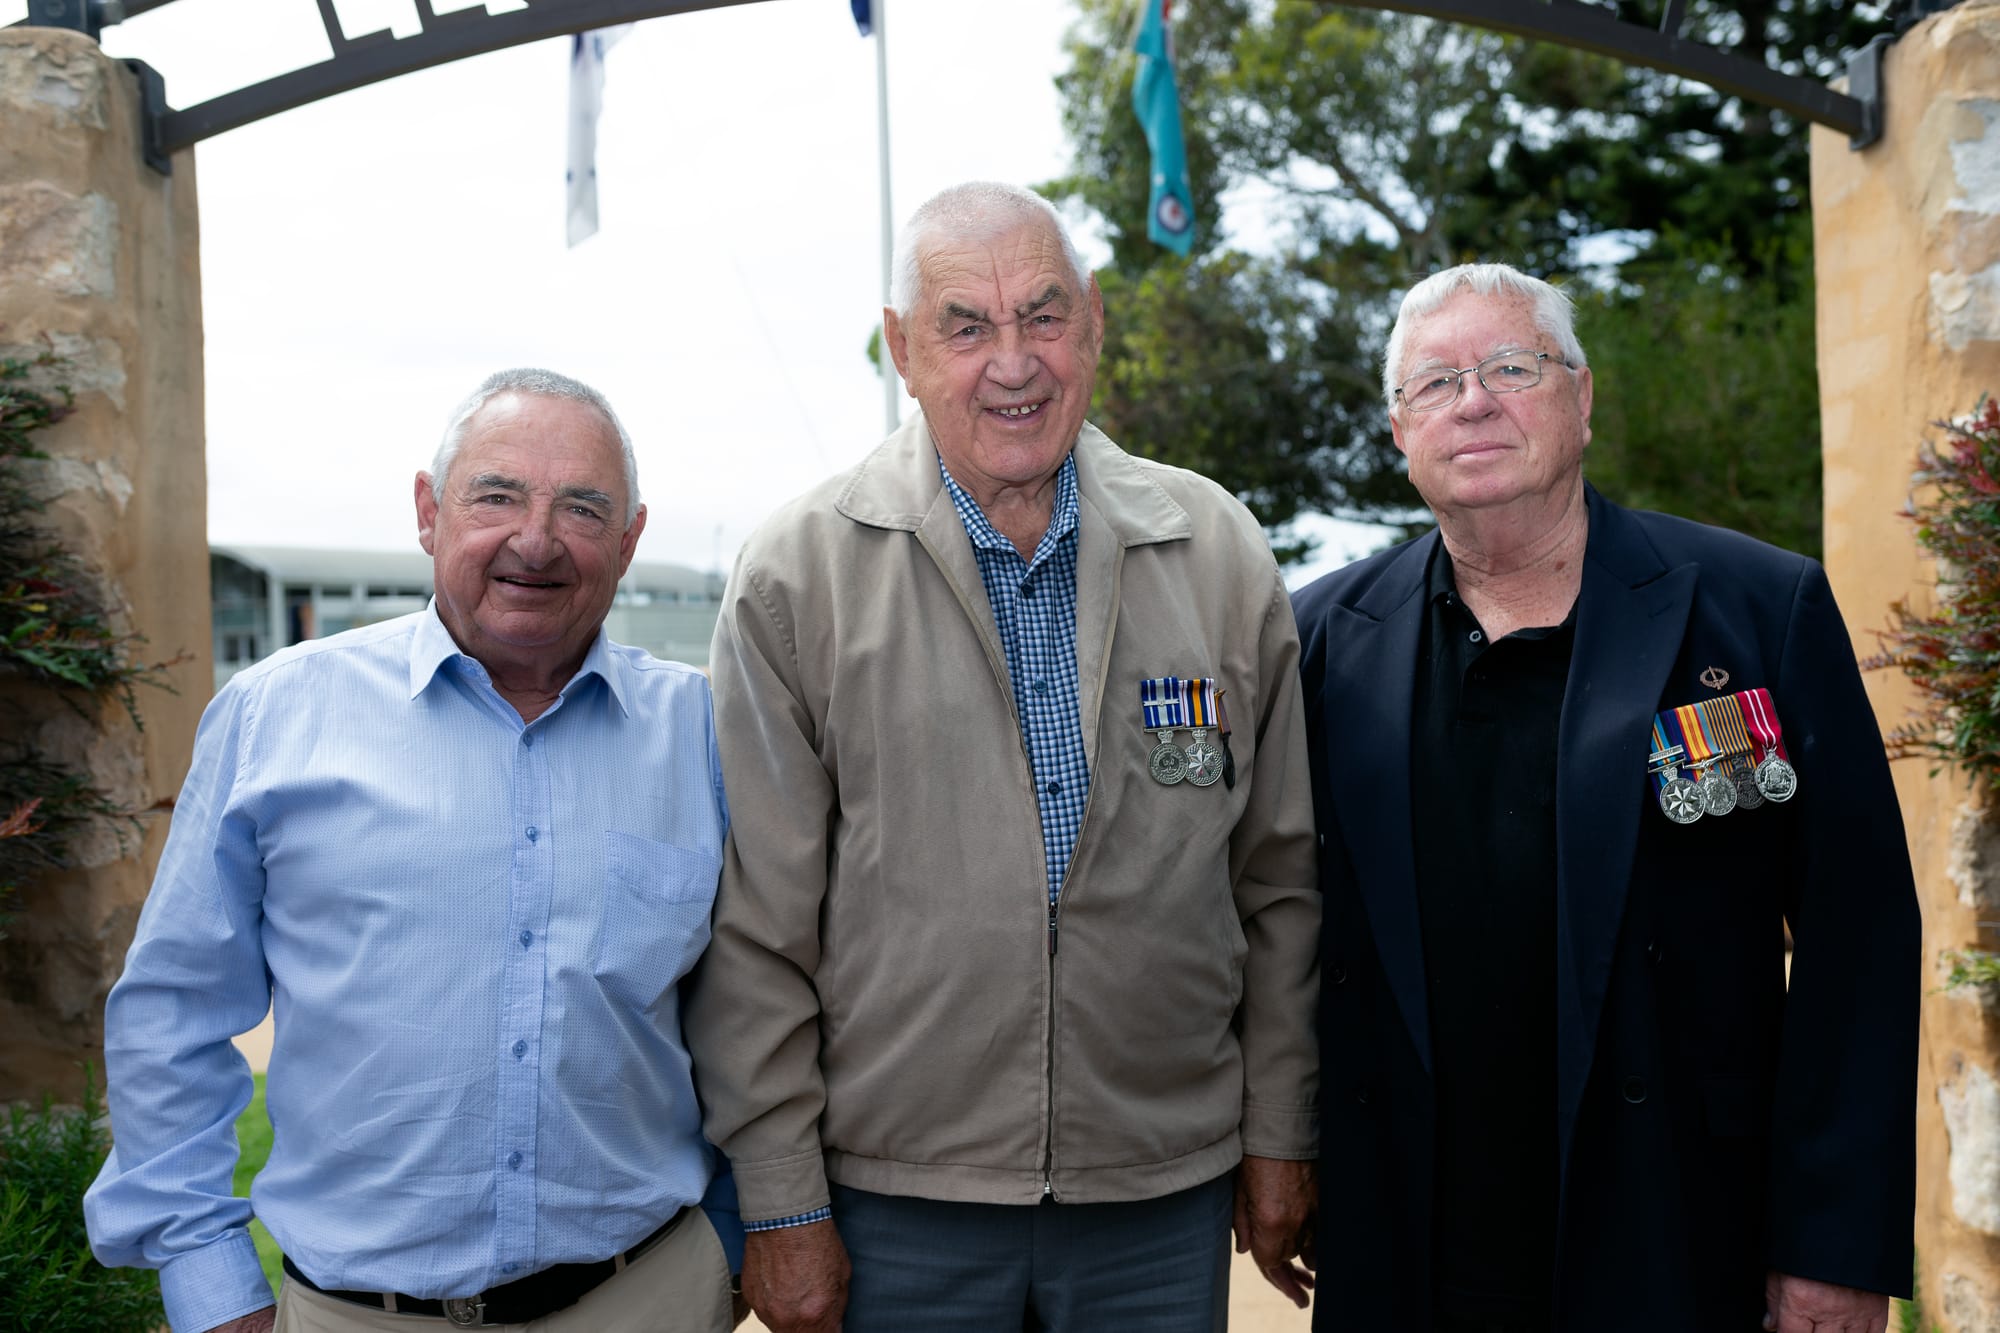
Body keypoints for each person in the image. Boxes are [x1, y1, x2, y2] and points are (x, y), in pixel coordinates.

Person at [684, 181, 1319, 1333]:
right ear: (901, 350)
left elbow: (1276, 883)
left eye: (1040, 315)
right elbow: (754, 933)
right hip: (894, 1201)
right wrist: (780, 1203)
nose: (1011, 362)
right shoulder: (797, 574)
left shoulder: (1215, 547)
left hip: (1157, 1197)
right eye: (964, 326)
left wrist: (1277, 1130)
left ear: (1091, 324)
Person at [1291, 263, 1920, 1332]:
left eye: (1508, 367)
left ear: (1579, 399)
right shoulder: (1314, 641)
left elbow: (1853, 939)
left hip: (1680, 1234)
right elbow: (1271, 923)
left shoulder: (1757, 609)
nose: (1472, 400)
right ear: (1398, 431)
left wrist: (1830, 1239)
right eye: (1434, 383)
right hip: (1408, 1245)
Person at [85, 369, 738, 1333]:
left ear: (632, 539)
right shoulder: (277, 717)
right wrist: (210, 1283)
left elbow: (760, 1012)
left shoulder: (706, 735)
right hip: (358, 1314)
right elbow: (170, 1015)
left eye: (584, 507)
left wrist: (728, 1239)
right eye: (497, 495)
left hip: (652, 1297)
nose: (536, 538)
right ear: (430, 512)